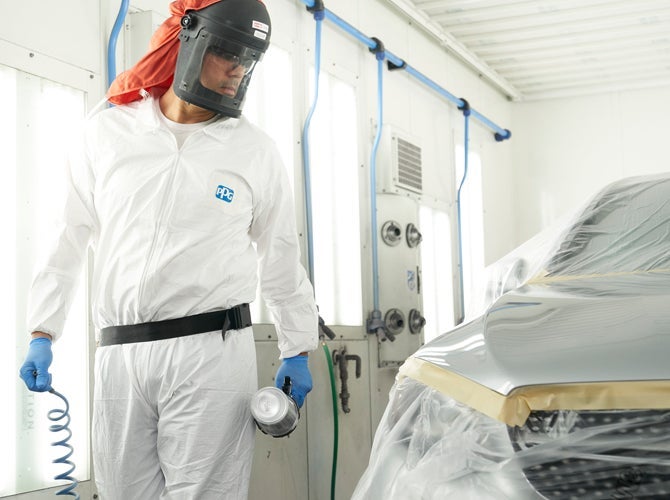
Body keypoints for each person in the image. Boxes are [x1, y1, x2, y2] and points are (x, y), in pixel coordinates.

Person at [18, 0, 319, 498]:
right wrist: (42, 331)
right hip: (119, 353)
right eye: (227, 52)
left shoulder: (253, 150)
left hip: (211, 353)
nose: (238, 69)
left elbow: (280, 254)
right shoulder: (107, 134)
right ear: (189, 39)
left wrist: (297, 347)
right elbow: (66, 237)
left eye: (249, 58)